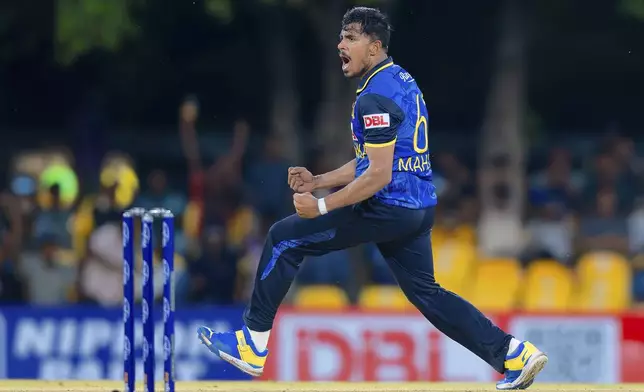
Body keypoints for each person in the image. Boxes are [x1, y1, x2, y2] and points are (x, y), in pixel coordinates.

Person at [197, 6, 547, 390]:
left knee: (284, 238)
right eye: (341, 36)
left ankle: (252, 344)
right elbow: (374, 159)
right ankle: (515, 353)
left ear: (375, 46)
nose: (340, 45)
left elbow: (378, 175)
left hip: (390, 207)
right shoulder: (399, 80)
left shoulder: (373, 97)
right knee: (428, 295)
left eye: (351, 38)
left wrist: (321, 206)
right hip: (418, 206)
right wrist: (318, 181)